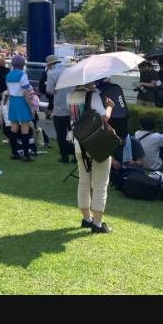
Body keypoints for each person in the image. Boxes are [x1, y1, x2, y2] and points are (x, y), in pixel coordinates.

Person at [69, 82, 115, 233]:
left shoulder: (71, 96)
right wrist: (110, 107)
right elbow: (104, 118)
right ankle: (97, 223)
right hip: (96, 144)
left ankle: (87, 219)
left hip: (79, 144)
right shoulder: (93, 95)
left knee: (83, 182)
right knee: (100, 184)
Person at [5, 54, 36, 162]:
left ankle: (14, 153)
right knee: (24, 128)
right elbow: (25, 92)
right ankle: (26, 154)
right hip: (22, 102)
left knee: (13, 127)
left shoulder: (8, 75)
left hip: (13, 101)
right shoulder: (23, 75)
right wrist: (31, 106)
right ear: (22, 65)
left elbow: (8, 92)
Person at [46, 56, 74, 164]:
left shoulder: (52, 73)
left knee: (61, 134)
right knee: (73, 133)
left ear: (50, 65)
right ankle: (76, 156)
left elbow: (49, 91)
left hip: (60, 108)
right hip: (73, 107)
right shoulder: (70, 70)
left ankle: (64, 157)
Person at [40, 54, 60, 118]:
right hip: (50, 88)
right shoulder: (52, 71)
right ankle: (49, 112)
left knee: (51, 101)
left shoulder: (48, 70)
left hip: (48, 87)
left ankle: (48, 113)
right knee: (51, 101)